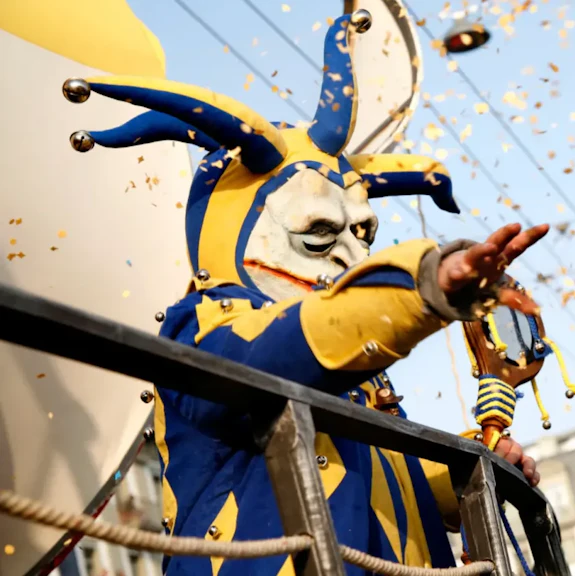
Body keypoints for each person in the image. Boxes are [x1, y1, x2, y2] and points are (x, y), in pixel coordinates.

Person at [63, 12, 545, 575]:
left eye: (363, 234)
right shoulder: (204, 330)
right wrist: (417, 287)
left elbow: (386, 481)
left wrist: (463, 469)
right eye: (318, 234)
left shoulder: (353, 369)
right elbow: (270, 361)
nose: (352, 257)